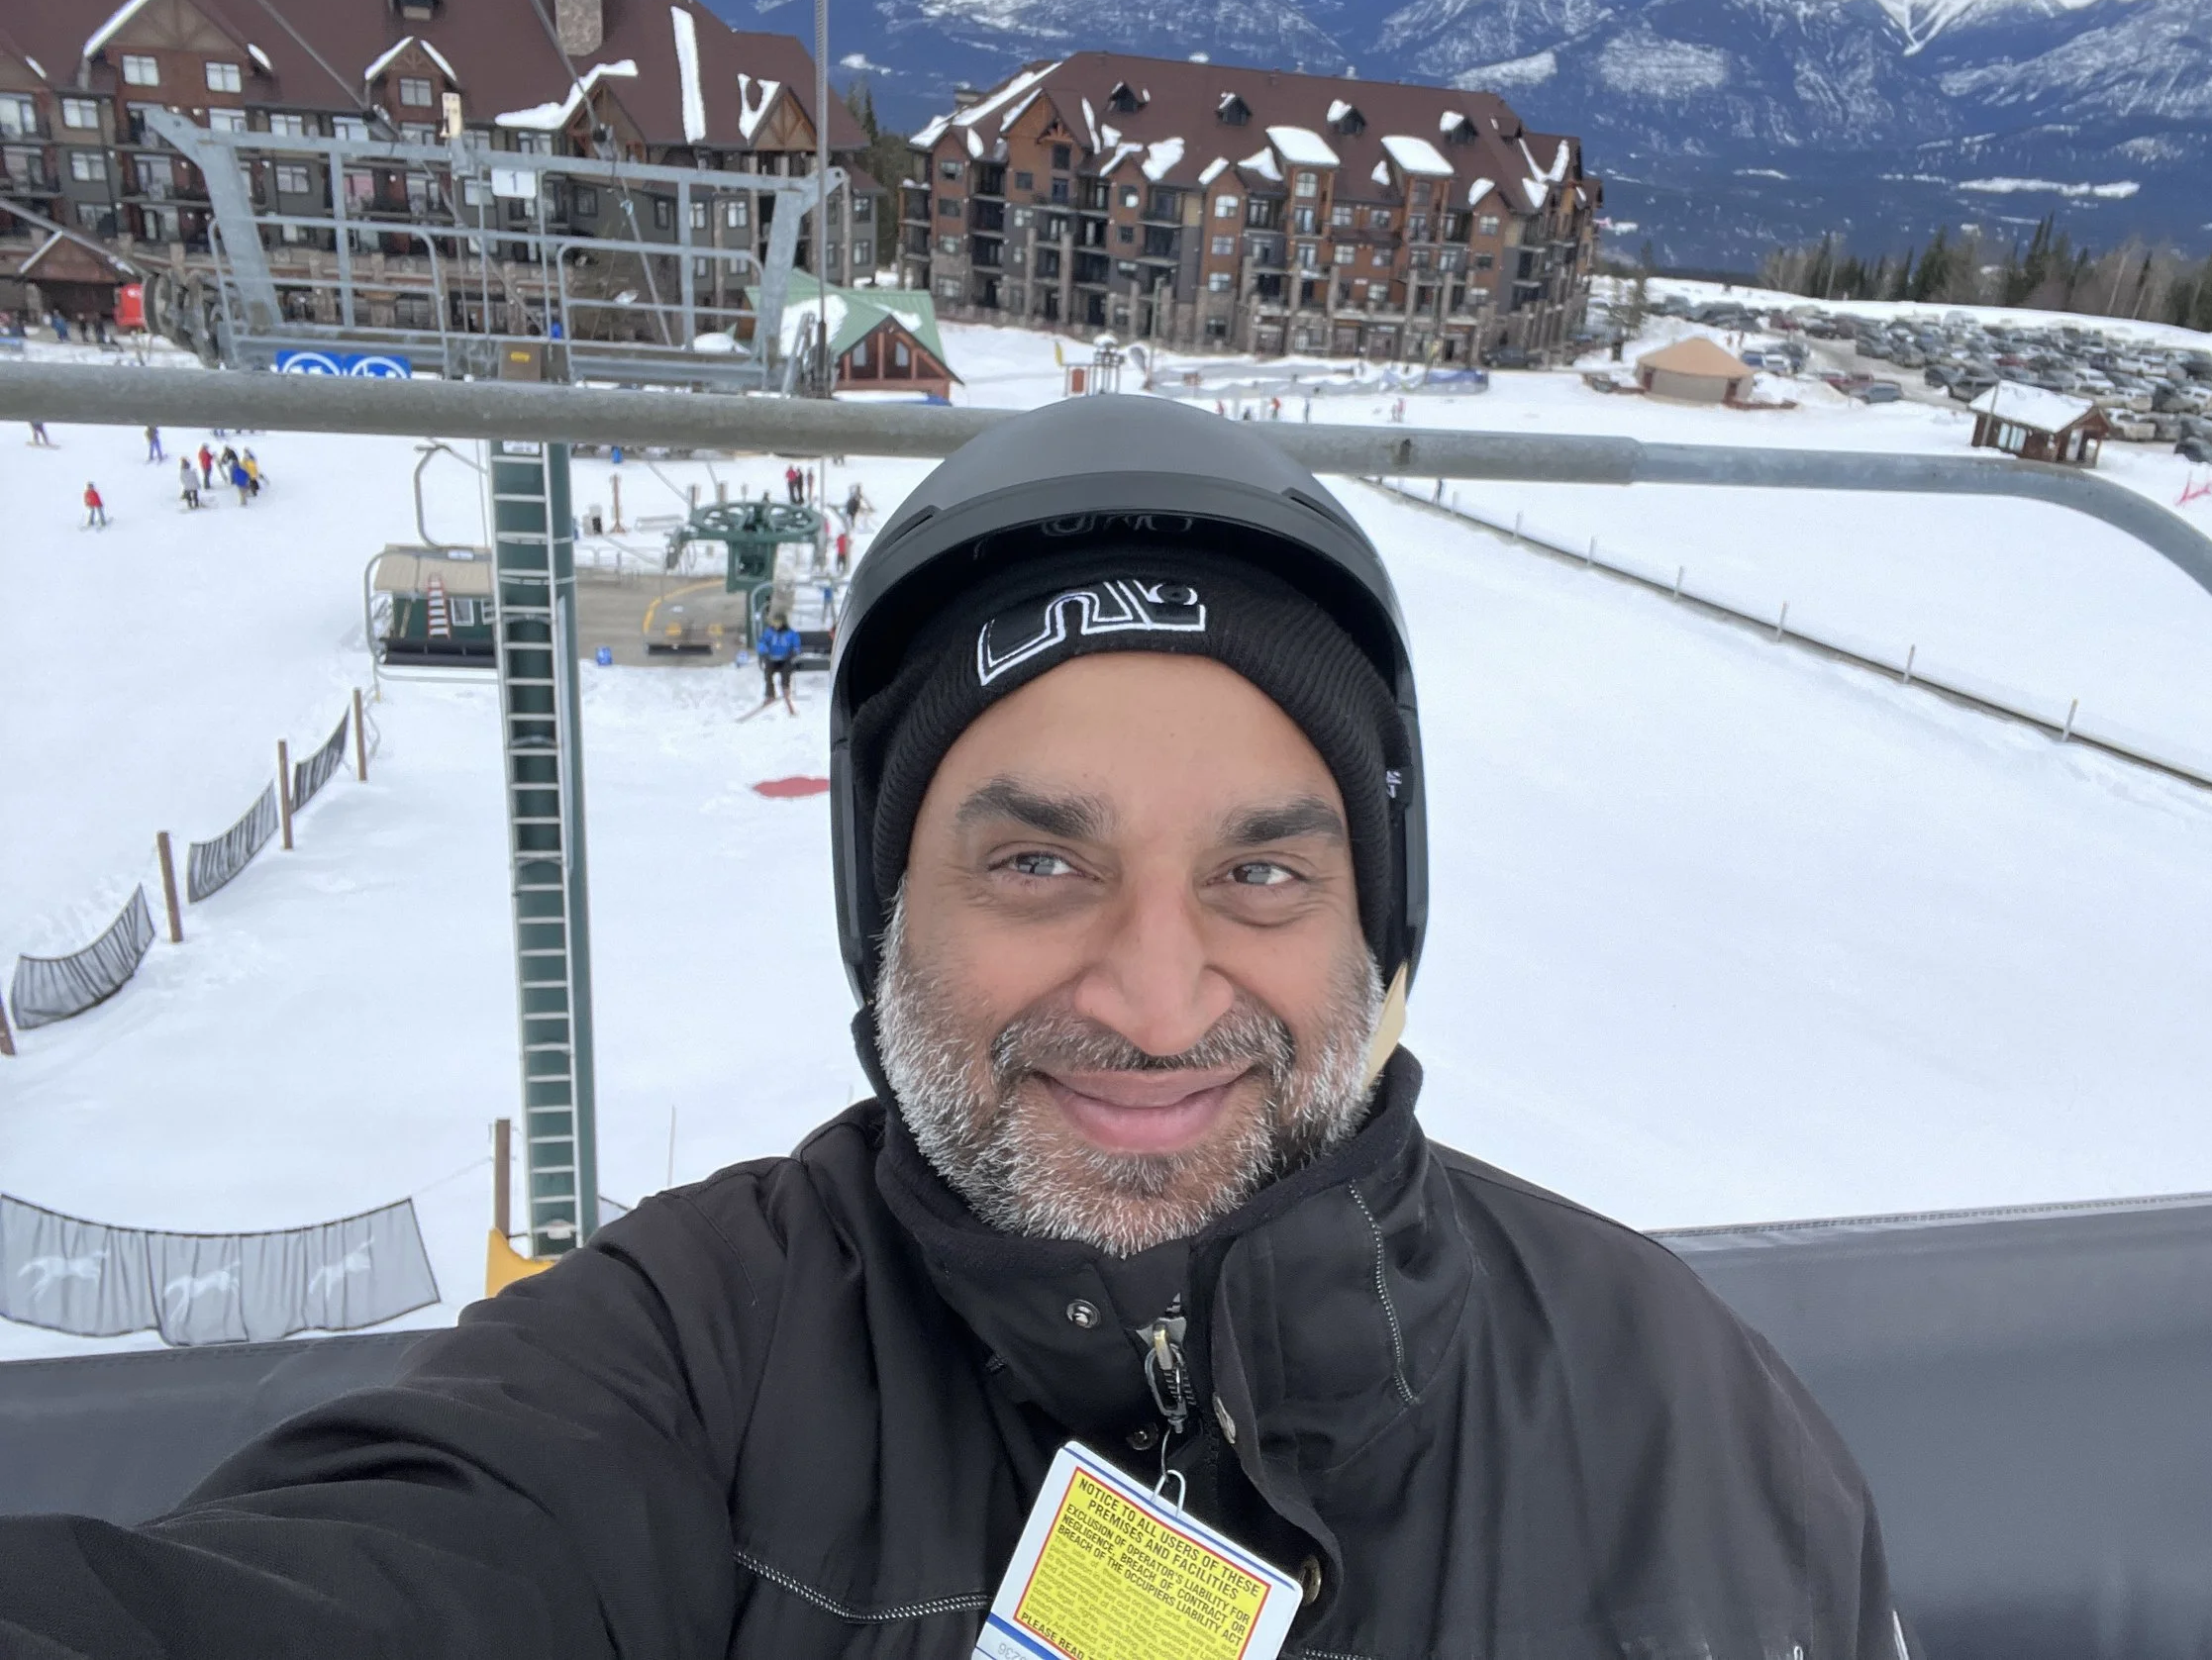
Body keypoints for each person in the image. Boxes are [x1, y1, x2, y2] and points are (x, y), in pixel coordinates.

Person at [0, 398, 1902, 1660]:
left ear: (1378, 926)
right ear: (886, 913)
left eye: (1260, 875)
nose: (1156, 998)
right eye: (1039, 865)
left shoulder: (1688, 1423)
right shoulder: (690, 1369)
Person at [754, 608, 801, 708]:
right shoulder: (769, 632)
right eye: (774, 622)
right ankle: (770, 694)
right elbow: (762, 642)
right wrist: (764, 651)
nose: (776, 625)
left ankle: (785, 689)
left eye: (778, 622)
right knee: (768, 673)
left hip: (785, 659)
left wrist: (794, 652)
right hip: (772, 658)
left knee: (786, 672)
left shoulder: (790, 633)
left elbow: (796, 644)